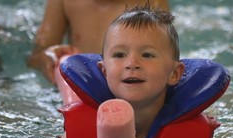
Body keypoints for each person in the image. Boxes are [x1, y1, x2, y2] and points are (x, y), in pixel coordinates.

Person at [53, 4, 215, 138]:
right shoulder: (74, 137)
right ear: (104, 71)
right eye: (119, 55)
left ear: (174, 74)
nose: (132, 63)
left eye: (147, 55)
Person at [28, 0, 170, 84]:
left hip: (130, 85)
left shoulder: (151, 2)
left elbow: (166, 61)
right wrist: (48, 58)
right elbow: (36, 59)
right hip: (80, 84)